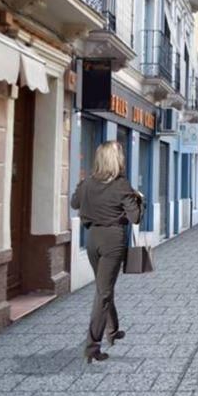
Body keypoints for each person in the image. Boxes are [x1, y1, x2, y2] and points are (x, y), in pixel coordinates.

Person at [70, 141, 143, 363]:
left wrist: (82, 190)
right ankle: (92, 347)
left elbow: (75, 203)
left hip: (92, 240)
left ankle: (113, 330)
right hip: (113, 240)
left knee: (104, 287)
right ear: (117, 160)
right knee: (103, 292)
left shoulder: (86, 184)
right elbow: (136, 217)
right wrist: (138, 199)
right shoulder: (122, 186)